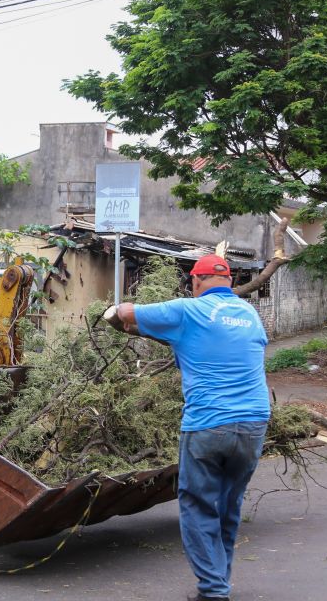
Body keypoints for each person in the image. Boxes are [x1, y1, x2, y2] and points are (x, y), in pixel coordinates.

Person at [103, 254, 270, 601]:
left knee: (197, 505)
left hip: (209, 424)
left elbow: (124, 314)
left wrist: (114, 313)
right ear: (229, 282)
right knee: (228, 504)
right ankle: (219, 582)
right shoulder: (250, 315)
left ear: (195, 282)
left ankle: (213, 590)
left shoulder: (187, 310)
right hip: (254, 422)